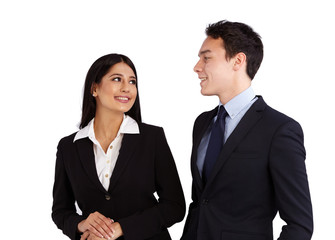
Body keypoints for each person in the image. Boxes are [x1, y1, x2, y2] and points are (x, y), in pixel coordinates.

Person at [180, 20, 313, 240]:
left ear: (238, 61)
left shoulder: (279, 130)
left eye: (206, 58)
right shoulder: (202, 123)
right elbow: (201, 201)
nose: (197, 67)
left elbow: (299, 224)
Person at [52, 53, 185, 240]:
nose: (127, 88)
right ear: (94, 88)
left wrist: (120, 228)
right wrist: (81, 225)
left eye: (132, 82)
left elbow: (175, 206)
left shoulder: (152, 138)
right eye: (117, 79)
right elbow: (60, 211)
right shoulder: (69, 147)